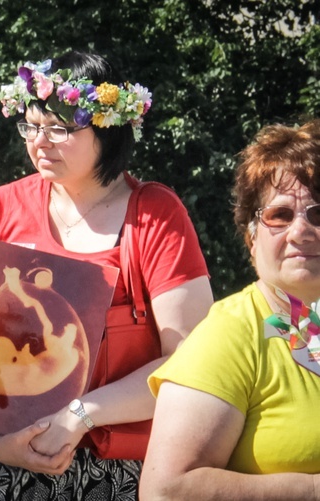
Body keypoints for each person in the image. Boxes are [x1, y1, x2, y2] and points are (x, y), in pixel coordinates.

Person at [0, 51, 214, 500]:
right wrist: (1, 445)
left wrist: (82, 414)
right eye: (31, 126)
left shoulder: (154, 215)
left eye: (59, 129)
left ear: (108, 130)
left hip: (118, 469)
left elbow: (192, 361)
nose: (40, 142)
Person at [140, 120, 320, 500]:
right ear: (251, 235)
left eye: (318, 215)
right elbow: (166, 490)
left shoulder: (310, 322)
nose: (301, 230)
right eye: (281, 215)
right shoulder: (230, 333)